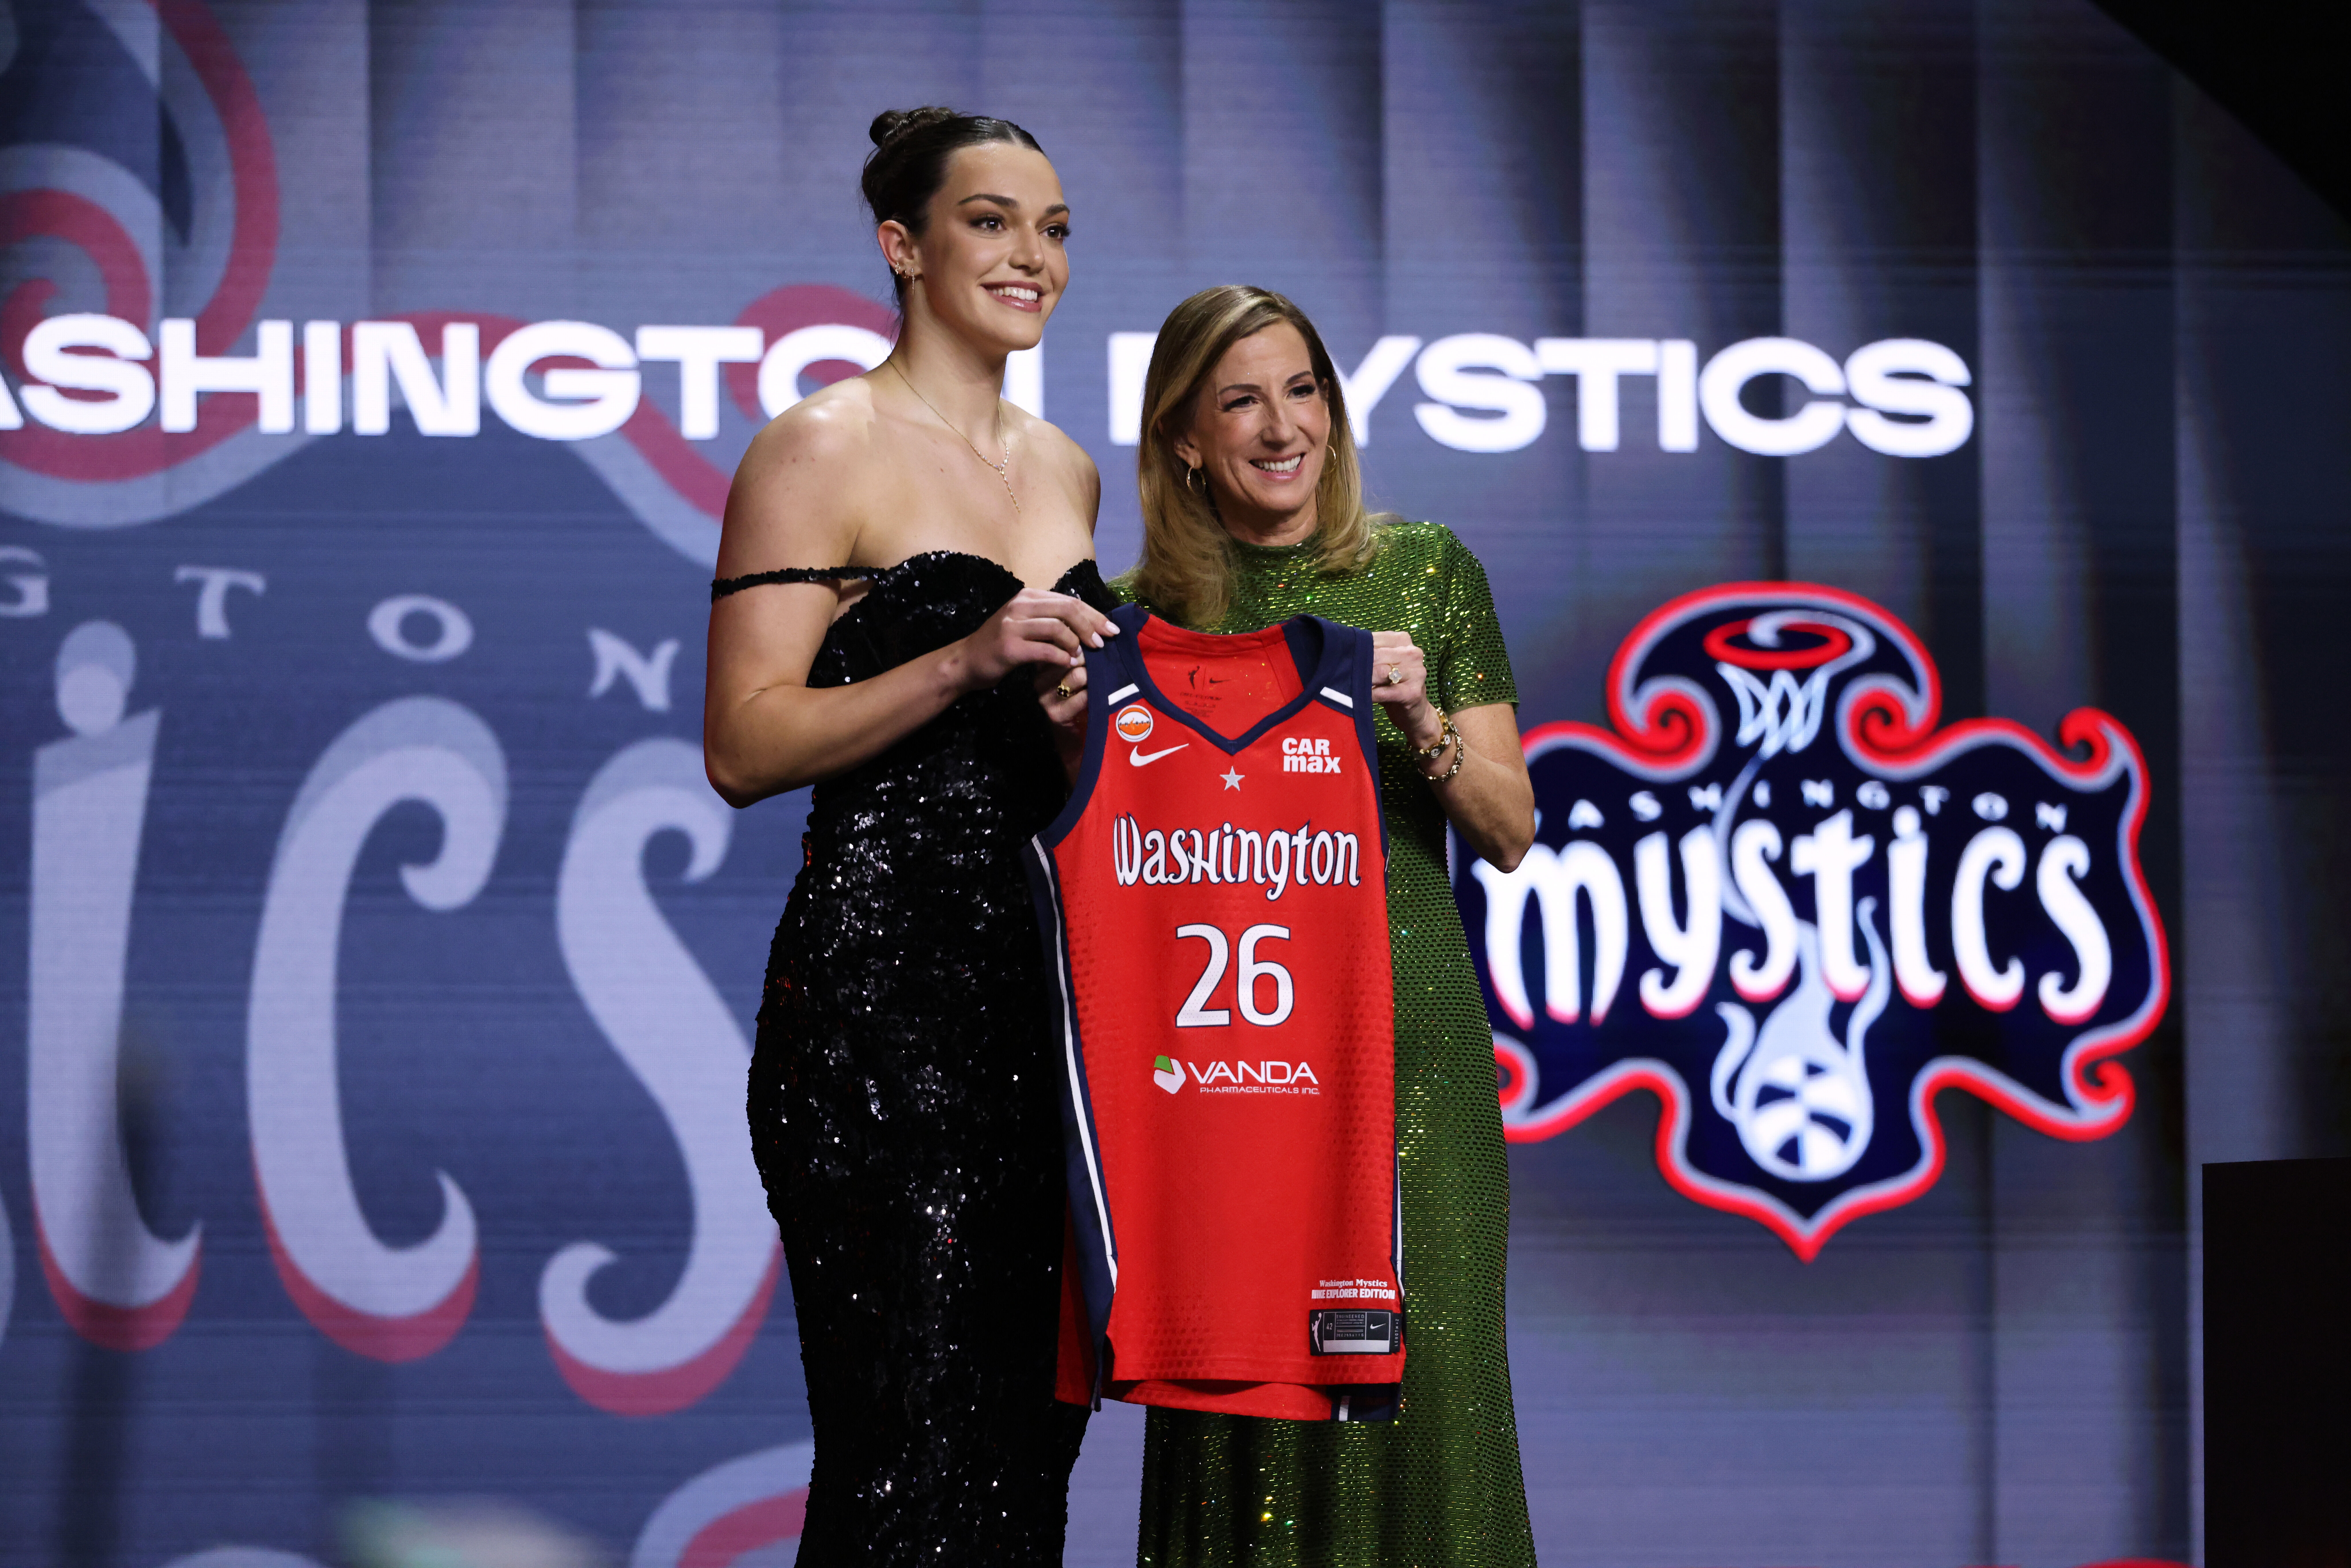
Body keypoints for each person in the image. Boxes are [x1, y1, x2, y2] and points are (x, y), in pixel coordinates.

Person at [1050, 284, 1539, 1566]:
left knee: (1430, 1398)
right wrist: (1063, 737)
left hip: (1408, 1064)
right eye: (1241, 402)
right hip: (1223, 1074)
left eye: (1303, 390)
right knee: (1235, 1400)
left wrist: (1421, 721)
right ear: (1184, 438)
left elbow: (1510, 830)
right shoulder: (1127, 621)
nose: (1283, 428)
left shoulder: (1426, 571)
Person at [703, 107, 1118, 1565]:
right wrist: (961, 658)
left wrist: (1079, 726)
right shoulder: (820, 444)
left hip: (1044, 1013)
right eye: (990, 222)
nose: (1030, 257)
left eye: (1052, 230)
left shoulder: (1067, 468)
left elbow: (1068, 765)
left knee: (1022, 1463)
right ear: (902, 246)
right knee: (906, 1453)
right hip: (879, 1011)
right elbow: (742, 743)